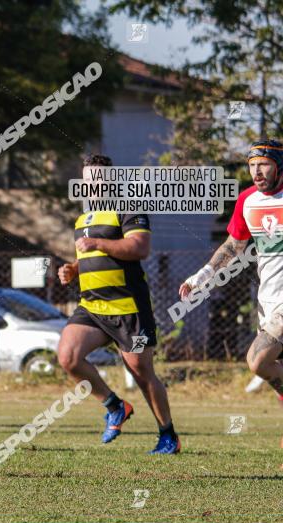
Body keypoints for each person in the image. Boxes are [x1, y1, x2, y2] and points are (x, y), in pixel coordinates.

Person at [57, 153, 180, 454]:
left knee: (140, 371)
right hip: (92, 308)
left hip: (128, 308)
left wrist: (98, 244)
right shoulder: (82, 219)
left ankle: (168, 435)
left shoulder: (128, 207)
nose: (94, 184)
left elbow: (139, 247)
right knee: (68, 357)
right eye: (88, 179)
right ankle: (115, 406)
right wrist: (73, 268)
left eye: (99, 178)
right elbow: (88, 254)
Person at [181, 140, 283, 403]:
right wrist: (201, 277)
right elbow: (232, 247)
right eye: (252, 165)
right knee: (271, 366)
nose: (257, 172)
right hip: (268, 300)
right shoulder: (247, 200)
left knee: (258, 360)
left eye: (264, 165)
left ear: (279, 166)